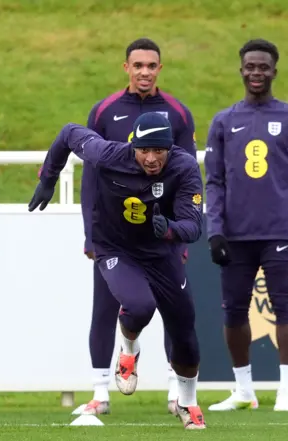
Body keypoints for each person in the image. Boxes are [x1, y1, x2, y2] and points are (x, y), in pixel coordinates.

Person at [29, 112, 207, 430]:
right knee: (139, 306)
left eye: (159, 151)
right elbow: (69, 131)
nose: (151, 159)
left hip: (161, 251)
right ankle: (128, 348)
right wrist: (49, 177)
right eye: (144, 150)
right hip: (116, 249)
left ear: (170, 148)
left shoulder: (184, 167)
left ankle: (188, 401)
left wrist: (169, 229)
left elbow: (194, 226)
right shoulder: (109, 154)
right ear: (132, 145)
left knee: (185, 331)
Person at [203, 39, 288, 412]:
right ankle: (244, 390)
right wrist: (215, 229)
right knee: (233, 312)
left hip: (278, 230)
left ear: (274, 71)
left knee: (285, 308)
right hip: (235, 233)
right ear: (241, 70)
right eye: (250, 66)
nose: (256, 73)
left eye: (263, 67)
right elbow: (213, 181)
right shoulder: (224, 121)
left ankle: (285, 391)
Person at [80, 37, 197, 416]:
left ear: (160, 69)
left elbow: (186, 174)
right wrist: (89, 231)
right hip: (113, 232)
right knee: (107, 306)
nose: (144, 72)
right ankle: (100, 392)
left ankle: (174, 393)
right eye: (138, 65)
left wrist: (177, 230)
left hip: (160, 236)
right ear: (125, 68)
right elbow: (90, 175)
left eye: (151, 66)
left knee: (173, 311)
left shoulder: (177, 113)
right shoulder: (104, 111)